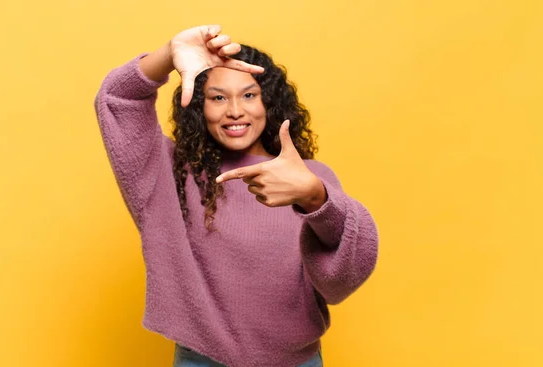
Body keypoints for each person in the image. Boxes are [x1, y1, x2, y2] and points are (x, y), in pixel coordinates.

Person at [94, 24, 379, 367]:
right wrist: (170, 53)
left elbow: (345, 275)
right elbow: (117, 101)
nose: (234, 111)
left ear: (269, 103)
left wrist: (315, 197)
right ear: (199, 107)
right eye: (218, 97)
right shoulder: (169, 176)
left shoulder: (311, 177)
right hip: (202, 361)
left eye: (248, 95)